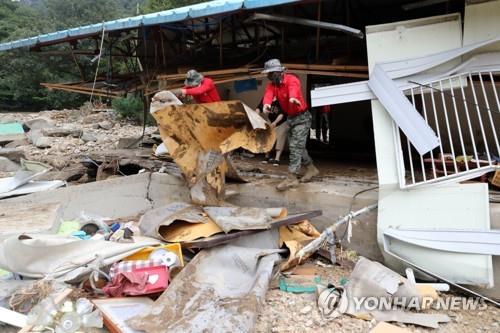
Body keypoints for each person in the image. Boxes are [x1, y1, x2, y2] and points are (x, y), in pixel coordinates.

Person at [261, 58, 319, 190]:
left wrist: (293, 98)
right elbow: (268, 95)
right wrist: (266, 105)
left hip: (302, 118)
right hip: (291, 118)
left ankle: (292, 177)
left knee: (294, 147)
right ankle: (311, 168)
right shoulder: (273, 85)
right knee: (299, 147)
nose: (269, 76)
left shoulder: (291, 79)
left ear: (278, 72)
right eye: (268, 74)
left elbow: (294, 89)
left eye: (270, 74)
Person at [256, 98, 288, 166]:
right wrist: (256, 115)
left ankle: (277, 159)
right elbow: (259, 108)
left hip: (282, 122)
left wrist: (275, 122)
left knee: (280, 138)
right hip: (270, 119)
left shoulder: (282, 98)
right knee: (268, 138)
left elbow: (282, 114)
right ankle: (267, 156)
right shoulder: (267, 96)